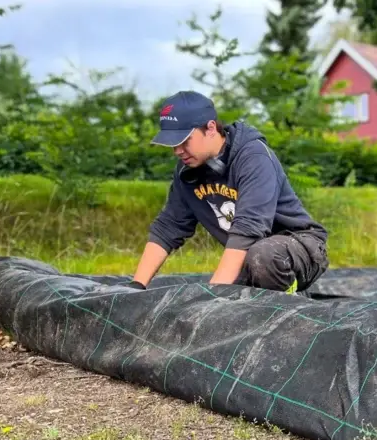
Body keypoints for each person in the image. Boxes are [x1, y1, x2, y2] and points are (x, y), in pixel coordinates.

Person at [128, 90, 329, 294]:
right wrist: (136, 286)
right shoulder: (186, 172)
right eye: (173, 144)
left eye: (184, 141)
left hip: (299, 248)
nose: (178, 151)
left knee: (263, 256)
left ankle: (291, 298)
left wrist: (211, 298)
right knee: (243, 273)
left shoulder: (253, 157)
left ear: (211, 128)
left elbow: (248, 229)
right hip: (249, 255)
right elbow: (168, 227)